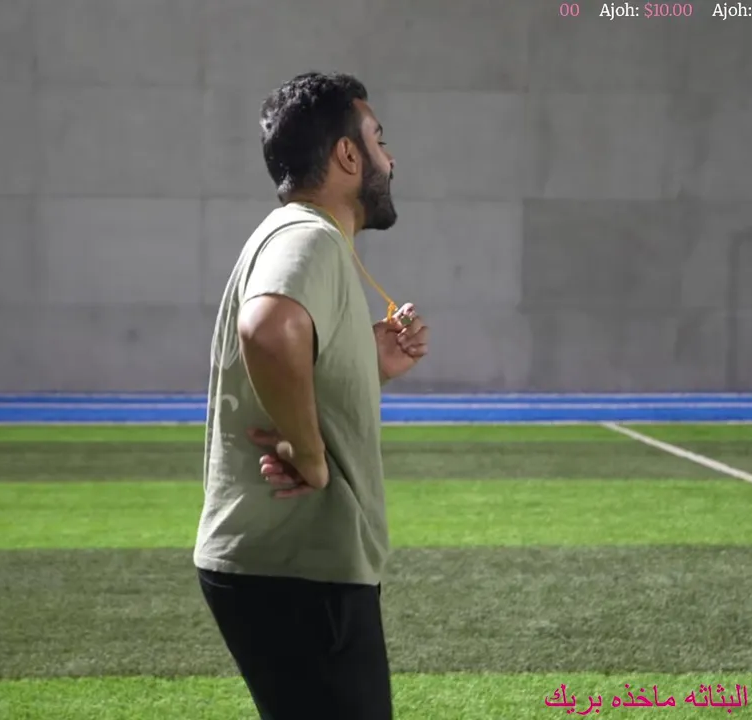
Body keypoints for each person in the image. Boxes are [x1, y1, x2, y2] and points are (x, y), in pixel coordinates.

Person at [194, 72, 430, 720]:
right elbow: (269, 329)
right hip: (298, 570)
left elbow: (285, 341)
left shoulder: (298, 235)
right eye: (379, 140)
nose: (390, 160)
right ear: (348, 155)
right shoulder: (311, 237)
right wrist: (309, 453)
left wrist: (366, 363)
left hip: (286, 569)